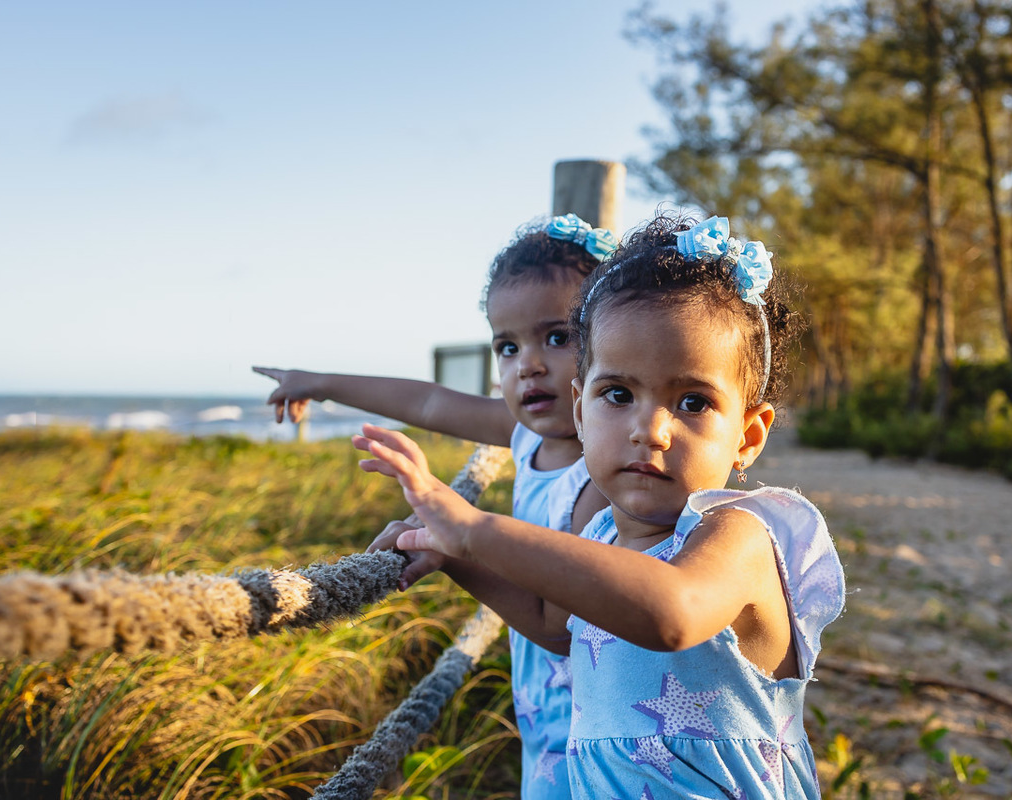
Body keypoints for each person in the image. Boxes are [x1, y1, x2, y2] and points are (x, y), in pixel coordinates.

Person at [353, 213, 846, 798]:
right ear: (580, 415)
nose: (650, 430)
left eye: (692, 401)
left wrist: (474, 530)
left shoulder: (738, 535)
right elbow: (553, 626)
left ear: (748, 435)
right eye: (618, 394)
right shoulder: (604, 534)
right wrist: (449, 554)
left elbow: (672, 614)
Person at [254, 213, 616, 797]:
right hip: (544, 711)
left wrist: (454, 550)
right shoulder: (527, 434)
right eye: (508, 345)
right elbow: (424, 401)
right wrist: (318, 381)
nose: (529, 363)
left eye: (557, 336)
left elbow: (561, 630)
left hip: (602, 725)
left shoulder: (603, 476)